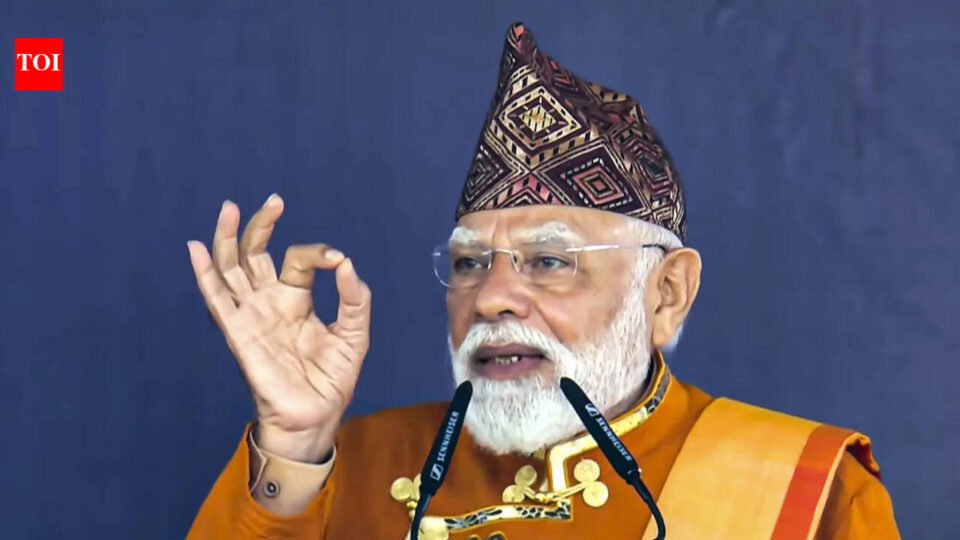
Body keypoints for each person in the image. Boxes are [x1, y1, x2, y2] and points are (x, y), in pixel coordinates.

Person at [187, 23, 899, 539]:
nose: (491, 298)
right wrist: (292, 444)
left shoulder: (811, 494)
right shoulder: (348, 468)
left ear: (667, 294)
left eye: (550, 262)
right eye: (470, 263)